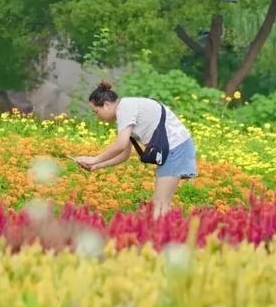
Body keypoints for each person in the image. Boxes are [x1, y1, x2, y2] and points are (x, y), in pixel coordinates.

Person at [71, 81, 198, 219]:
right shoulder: (126, 112)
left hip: (176, 149)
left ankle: (161, 237)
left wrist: (94, 158)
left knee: (159, 204)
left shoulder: (125, 109)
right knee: (160, 204)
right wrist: (96, 165)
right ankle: (163, 235)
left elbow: (120, 144)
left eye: (96, 111)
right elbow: (124, 154)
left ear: (106, 105)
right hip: (176, 149)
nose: (97, 116)